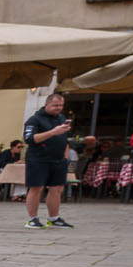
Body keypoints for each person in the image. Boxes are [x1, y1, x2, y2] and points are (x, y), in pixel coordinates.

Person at [24, 92, 77, 229]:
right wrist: (53, 132)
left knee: (57, 188)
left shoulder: (61, 118)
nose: (58, 108)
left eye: (61, 105)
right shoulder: (34, 120)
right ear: (46, 104)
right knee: (36, 188)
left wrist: (65, 158)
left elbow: (64, 139)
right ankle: (32, 219)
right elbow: (29, 139)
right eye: (55, 105)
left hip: (58, 159)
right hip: (38, 159)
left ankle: (54, 218)